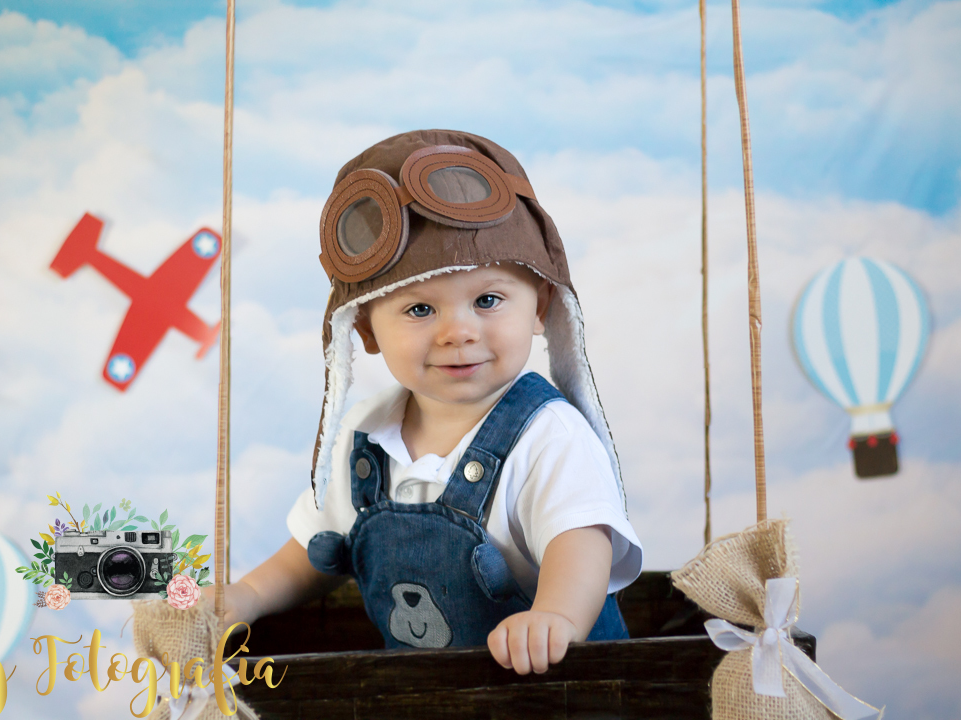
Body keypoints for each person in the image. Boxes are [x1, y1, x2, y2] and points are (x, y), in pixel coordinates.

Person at [216, 129, 642, 675]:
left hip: (555, 693)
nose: (457, 333)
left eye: (488, 300)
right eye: (420, 310)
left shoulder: (549, 433)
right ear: (368, 330)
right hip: (425, 696)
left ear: (540, 307)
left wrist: (556, 615)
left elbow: (581, 540)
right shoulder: (366, 434)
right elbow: (315, 548)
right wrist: (247, 596)